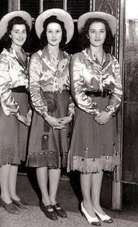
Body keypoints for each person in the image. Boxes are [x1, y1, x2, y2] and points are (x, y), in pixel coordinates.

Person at [68, 12, 122, 226]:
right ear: (87, 35)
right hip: (86, 112)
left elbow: (118, 90)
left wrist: (109, 111)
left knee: (99, 161)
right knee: (87, 159)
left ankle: (97, 203)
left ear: (105, 35)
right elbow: (76, 90)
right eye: (93, 31)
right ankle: (87, 204)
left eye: (101, 31)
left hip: (107, 112)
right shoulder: (78, 58)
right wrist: (95, 111)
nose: (97, 35)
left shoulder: (113, 60)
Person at [26, 9, 75, 221]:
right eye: (49, 31)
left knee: (56, 157)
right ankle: (45, 199)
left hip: (63, 108)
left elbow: (74, 89)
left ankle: (54, 199)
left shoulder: (69, 58)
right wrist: (46, 115)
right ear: (44, 34)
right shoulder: (36, 57)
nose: (53, 35)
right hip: (43, 110)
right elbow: (33, 88)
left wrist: (71, 113)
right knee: (43, 156)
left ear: (62, 34)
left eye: (57, 31)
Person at [0, 11, 32, 214]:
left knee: (15, 152)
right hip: (9, 108)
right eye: (16, 32)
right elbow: (2, 89)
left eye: (23, 32)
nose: (20, 35)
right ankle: (4, 195)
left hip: (23, 103)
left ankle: (12, 192)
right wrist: (17, 112)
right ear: (9, 34)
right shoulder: (4, 57)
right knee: (6, 153)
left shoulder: (25, 56)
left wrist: (28, 110)